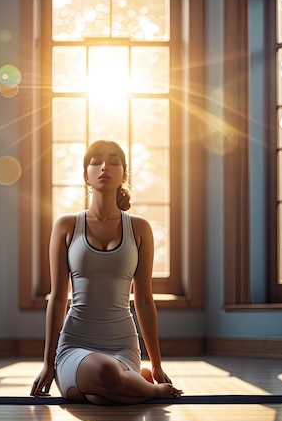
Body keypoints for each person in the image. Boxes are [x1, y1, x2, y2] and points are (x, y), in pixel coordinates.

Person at [30, 139, 183, 405]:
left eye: (114, 162)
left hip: (123, 344)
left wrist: (157, 365)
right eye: (96, 161)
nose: (104, 167)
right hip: (75, 345)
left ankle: (135, 377)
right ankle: (147, 390)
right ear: (85, 175)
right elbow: (57, 297)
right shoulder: (66, 225)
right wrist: (47, 363)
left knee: (98, 394)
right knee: (104, 373)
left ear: (124, 174)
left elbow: (144, 299)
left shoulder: (139, 228)